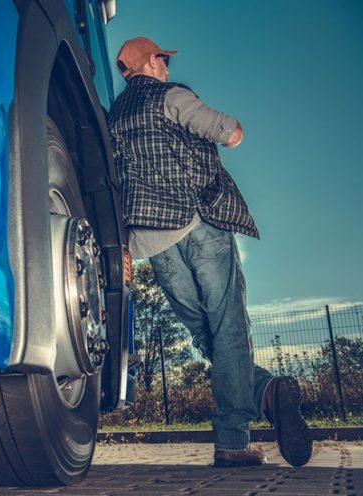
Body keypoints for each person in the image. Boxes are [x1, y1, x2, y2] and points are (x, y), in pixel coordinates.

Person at [107, 36, 312, 467]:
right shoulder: (172, 95)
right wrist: (232, 129)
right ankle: (233, 440)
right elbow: (229, 133)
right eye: (162, 58)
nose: (165, 64)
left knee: (207, 334)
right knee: (230, 328)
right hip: (199, 224)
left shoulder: (114, 116)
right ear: (151, 62)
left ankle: (266, 393)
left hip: (151, 241)